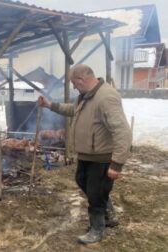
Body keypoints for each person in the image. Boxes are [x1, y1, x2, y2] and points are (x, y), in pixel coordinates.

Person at [38, 64, 132, 244]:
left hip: (102, 156)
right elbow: (73, 110)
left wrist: (117, 164)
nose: (73, 87)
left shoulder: (106, 97)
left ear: (82, 79)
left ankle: (97, 229)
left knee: (95, 193)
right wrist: (50, 105)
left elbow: (122, 132)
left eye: (74, 83)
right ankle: (108, 212)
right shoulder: (86, 96)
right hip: (87, 154)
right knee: (82, 181)